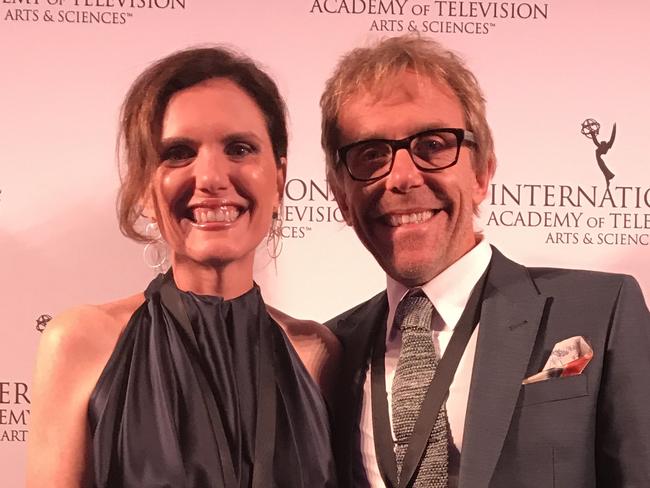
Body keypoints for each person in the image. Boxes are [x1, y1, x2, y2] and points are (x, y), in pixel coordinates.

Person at [321, 35, 650, 488]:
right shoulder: (330, 351)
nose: (401, 177)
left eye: (432, 145)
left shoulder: (602, 310)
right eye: (370, 154)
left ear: (481, 174)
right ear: (341, 195)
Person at [27, 47, 339, 487]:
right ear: (142, 186)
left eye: (240, 148)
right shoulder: (81, 342)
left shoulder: (317, 354)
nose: (211, 177)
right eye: (177, 153)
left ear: (278, 178)